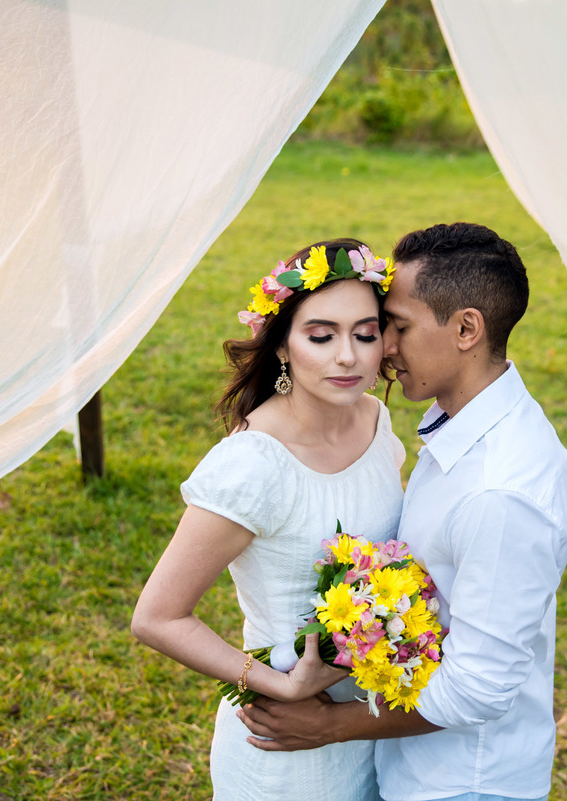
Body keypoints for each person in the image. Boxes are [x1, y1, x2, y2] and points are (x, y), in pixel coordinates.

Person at [238, 222, 567, 801]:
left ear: (467, 328)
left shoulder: (501, 491)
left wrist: (329, 726)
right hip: (407, 765)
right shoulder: (458, 423)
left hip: (462, 782)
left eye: (397, 326)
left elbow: (478, 691)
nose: (383, 348)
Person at [131, 238, 404, 801]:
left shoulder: (376, 420)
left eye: (365, 333)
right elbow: (157, 617)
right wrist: (281, 685)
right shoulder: (253, 464)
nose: (348, 356)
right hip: (286, 749)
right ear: (281, 346)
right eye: (321, 335)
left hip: (373, 726)